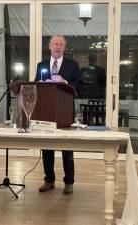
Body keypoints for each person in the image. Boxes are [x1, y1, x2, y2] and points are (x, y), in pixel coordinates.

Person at [35, 35, 82, 194]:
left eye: (61, 44)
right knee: (47, 147)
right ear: (50, 46)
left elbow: (80, 86)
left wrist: (65, 82)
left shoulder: (72, 65)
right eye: (56, 43)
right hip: (46, 111)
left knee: (66, 147)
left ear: (64, 48)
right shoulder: (41, 65)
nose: (58, 46)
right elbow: (35, 85)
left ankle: (69, 181)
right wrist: (39, 84)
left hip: (65, 111)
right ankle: (49, 180)